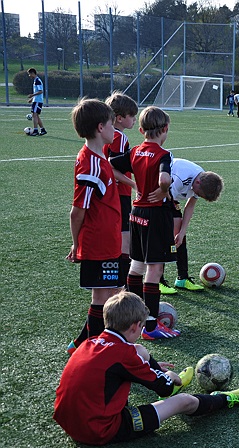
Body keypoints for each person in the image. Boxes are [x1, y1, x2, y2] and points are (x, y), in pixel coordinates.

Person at [54, 291, 239, 446]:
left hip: (69, 422)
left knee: (139, 350)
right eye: (142, 327)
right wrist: (169, 377)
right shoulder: (125, 355)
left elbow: (115, 365)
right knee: (183, 400)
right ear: (135, 326)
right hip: (99, 430)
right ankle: (225, 399)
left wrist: (145, 367)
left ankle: (156, 375)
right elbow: (165, 389)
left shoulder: (90, 342)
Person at [111, 106, 179, 340]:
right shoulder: (163, 154)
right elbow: (164, 178)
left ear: (141, 130)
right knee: (155, 269)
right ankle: (150, 326)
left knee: (137, 265)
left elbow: (110, 164)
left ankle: (134, 318)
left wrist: (133, 185)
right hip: (155, 214)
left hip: (136, 213)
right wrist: (163, 190)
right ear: (165, 128)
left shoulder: (135, 151)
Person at [66, 99, 123, 355]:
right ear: (101, 127)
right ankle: (92, 354)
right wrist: (76, 244)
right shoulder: (91, 165)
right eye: (112, 124)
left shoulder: (99, 156)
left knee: (113, 292)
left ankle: (81, 344)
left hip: (108, 238)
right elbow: (78, 210)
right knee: (102, 298)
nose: (115, 129)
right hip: (98, 242)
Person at [162, 158, 224, 292]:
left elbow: (190, 206)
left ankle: (182, 278)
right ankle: (157, 281)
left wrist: (182, 232)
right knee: (164, 235)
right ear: (197, 183)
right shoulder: (180, 178)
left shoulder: (202, 178)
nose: (196, 195)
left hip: (171, 198)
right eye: (198, 193)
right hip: (158, 197)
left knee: (179, 235)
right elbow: (164, 199)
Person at [104, 92, 139, 294]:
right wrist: (133, 184)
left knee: (116, 237)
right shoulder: (118, 136)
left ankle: (114, 283)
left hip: (109, 192)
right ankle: (123, 287)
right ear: (119, 118)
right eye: (132, 116)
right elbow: (112, 167)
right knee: (125, 239)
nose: (134, 120)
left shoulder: (107, 134)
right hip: (119, 193)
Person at [26, 68, 47, 136]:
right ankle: (42, 130)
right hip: (36, 100)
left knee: (34, 115)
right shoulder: (35, 80)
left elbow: (41, 91)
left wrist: (32, 95)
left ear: (32, 73)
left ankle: (35, 131)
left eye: (29, 74)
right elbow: (37, 91)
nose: (29, 76)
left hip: (38, 101)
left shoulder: (38, 80)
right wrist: (32, 99)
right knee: (36, 115)